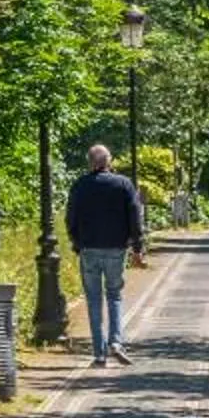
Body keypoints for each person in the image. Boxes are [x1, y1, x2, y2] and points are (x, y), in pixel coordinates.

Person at [64, 142, 146, 369]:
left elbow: (70, 218)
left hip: (89, 249)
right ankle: (116, 342)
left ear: (90, 163)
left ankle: (99, 353)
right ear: (109, 162)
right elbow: (135, 219)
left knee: (93, 299)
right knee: (114, 295)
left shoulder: (80, 186)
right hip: (116, 249)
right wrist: (138, 248)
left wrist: (76, 243)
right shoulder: (124, 184)